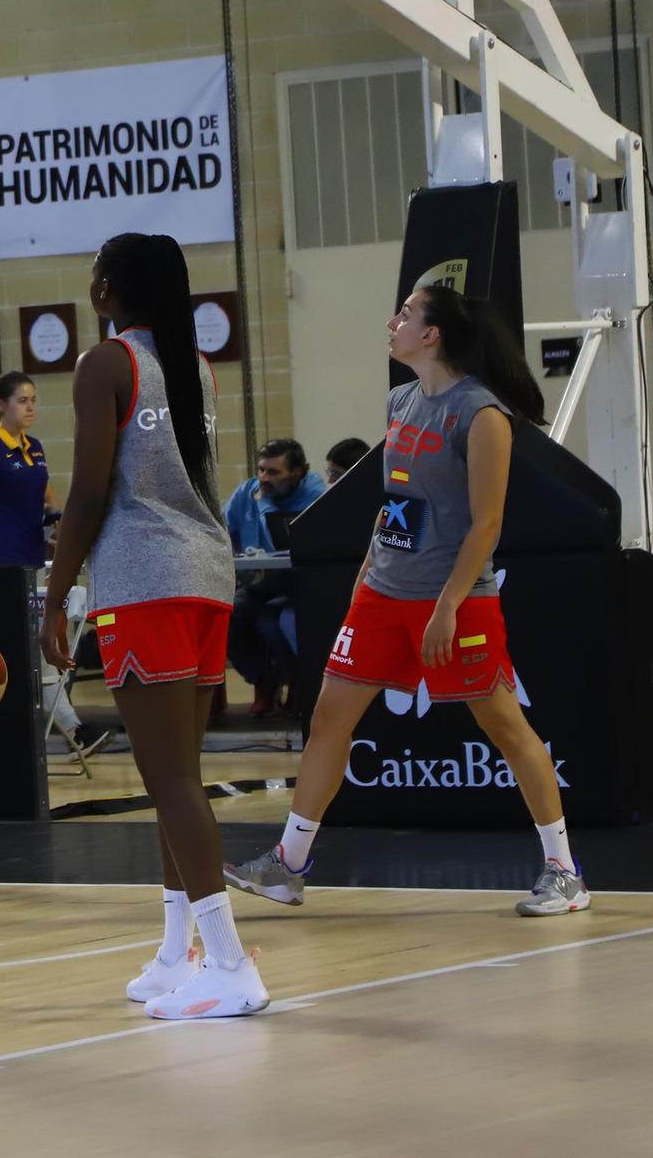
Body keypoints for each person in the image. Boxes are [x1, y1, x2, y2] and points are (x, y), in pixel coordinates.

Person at [225, 285, 591, 918]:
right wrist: (368, 575)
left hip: (454, 600)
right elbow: (395, 501)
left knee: (505, 727)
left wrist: (448, 605)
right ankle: (287, 866)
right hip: (383, 594)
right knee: (329, 720)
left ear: (433, 335)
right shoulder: (399, 401)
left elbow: (487, 524)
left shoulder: (482, 414)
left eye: (406, 315)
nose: (391, 322)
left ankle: (564, 871)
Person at [41, 232, 269, 1020]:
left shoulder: (105, 364)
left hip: (147, 579)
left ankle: (232, 964)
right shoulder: (192, 364)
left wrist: (54, 594)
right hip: (207, 572)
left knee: (170, 781)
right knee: (179, 777)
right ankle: (181, 953)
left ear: (108, 288)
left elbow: (89, 493)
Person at [0, 372, 109, 757]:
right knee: (19, 651)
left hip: (35, 563)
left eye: (33, 400)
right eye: (22, 400)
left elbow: (43, 504)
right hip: (1, 567)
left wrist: (62, 525)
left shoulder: (35, 448)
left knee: (41, 650)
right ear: (0, 404)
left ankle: (54, 734)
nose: (31, 407)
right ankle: (34, 735)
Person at [223, 438, 326, 715]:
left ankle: (298, 681)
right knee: (227, 614)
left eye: (274, 472)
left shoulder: (315, 494)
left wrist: (266, 506)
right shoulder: (247, 492)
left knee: (275, 624)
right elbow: (223, 531)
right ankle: (262, 681)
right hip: (258, 584)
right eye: (261, 470)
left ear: (298, 472)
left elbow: (299, 544)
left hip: (300, 585)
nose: (264, 479)